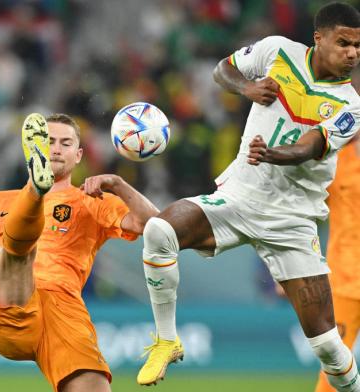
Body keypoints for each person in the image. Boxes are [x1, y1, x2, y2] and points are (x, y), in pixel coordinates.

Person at [137, 2, 360, 391]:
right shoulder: (277, 51)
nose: (353, 54)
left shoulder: (351, 105)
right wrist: (247, 87)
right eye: (344, 43)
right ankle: (167, 339)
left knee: (328, 347)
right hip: (239, 197)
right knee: (159, 230)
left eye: (358, 46)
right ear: (318, 38)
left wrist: (275, 154)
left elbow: (310, 146)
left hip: (292, 219)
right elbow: (223, 69)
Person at [0, 112, 159, 392]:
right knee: (10, 255)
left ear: (78, 155)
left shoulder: (92, 200)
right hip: (6, 307)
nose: (56, 148)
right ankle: (35, 190)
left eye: (66, 143)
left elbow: (154, 225)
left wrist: (118, 184)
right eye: (49, 141)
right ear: (34, 148)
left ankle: (34, 195)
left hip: (64, 311)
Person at [315, 133, 360, 391]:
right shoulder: (337, 161)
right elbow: (306, 208)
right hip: (344, 282)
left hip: (344, 278)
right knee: (334, 371)